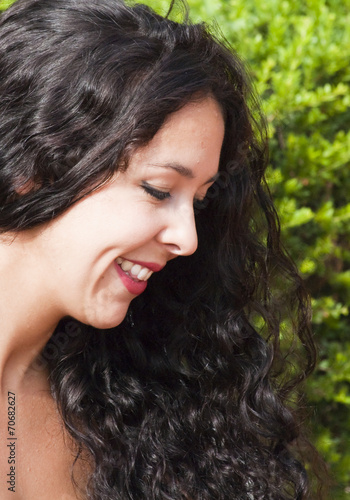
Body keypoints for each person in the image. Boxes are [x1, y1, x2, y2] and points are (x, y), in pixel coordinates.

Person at [0, 0, 325, 498]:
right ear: (32, 169)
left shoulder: (126, 410)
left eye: (200, 199)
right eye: (157, 189)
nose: (188, 239)